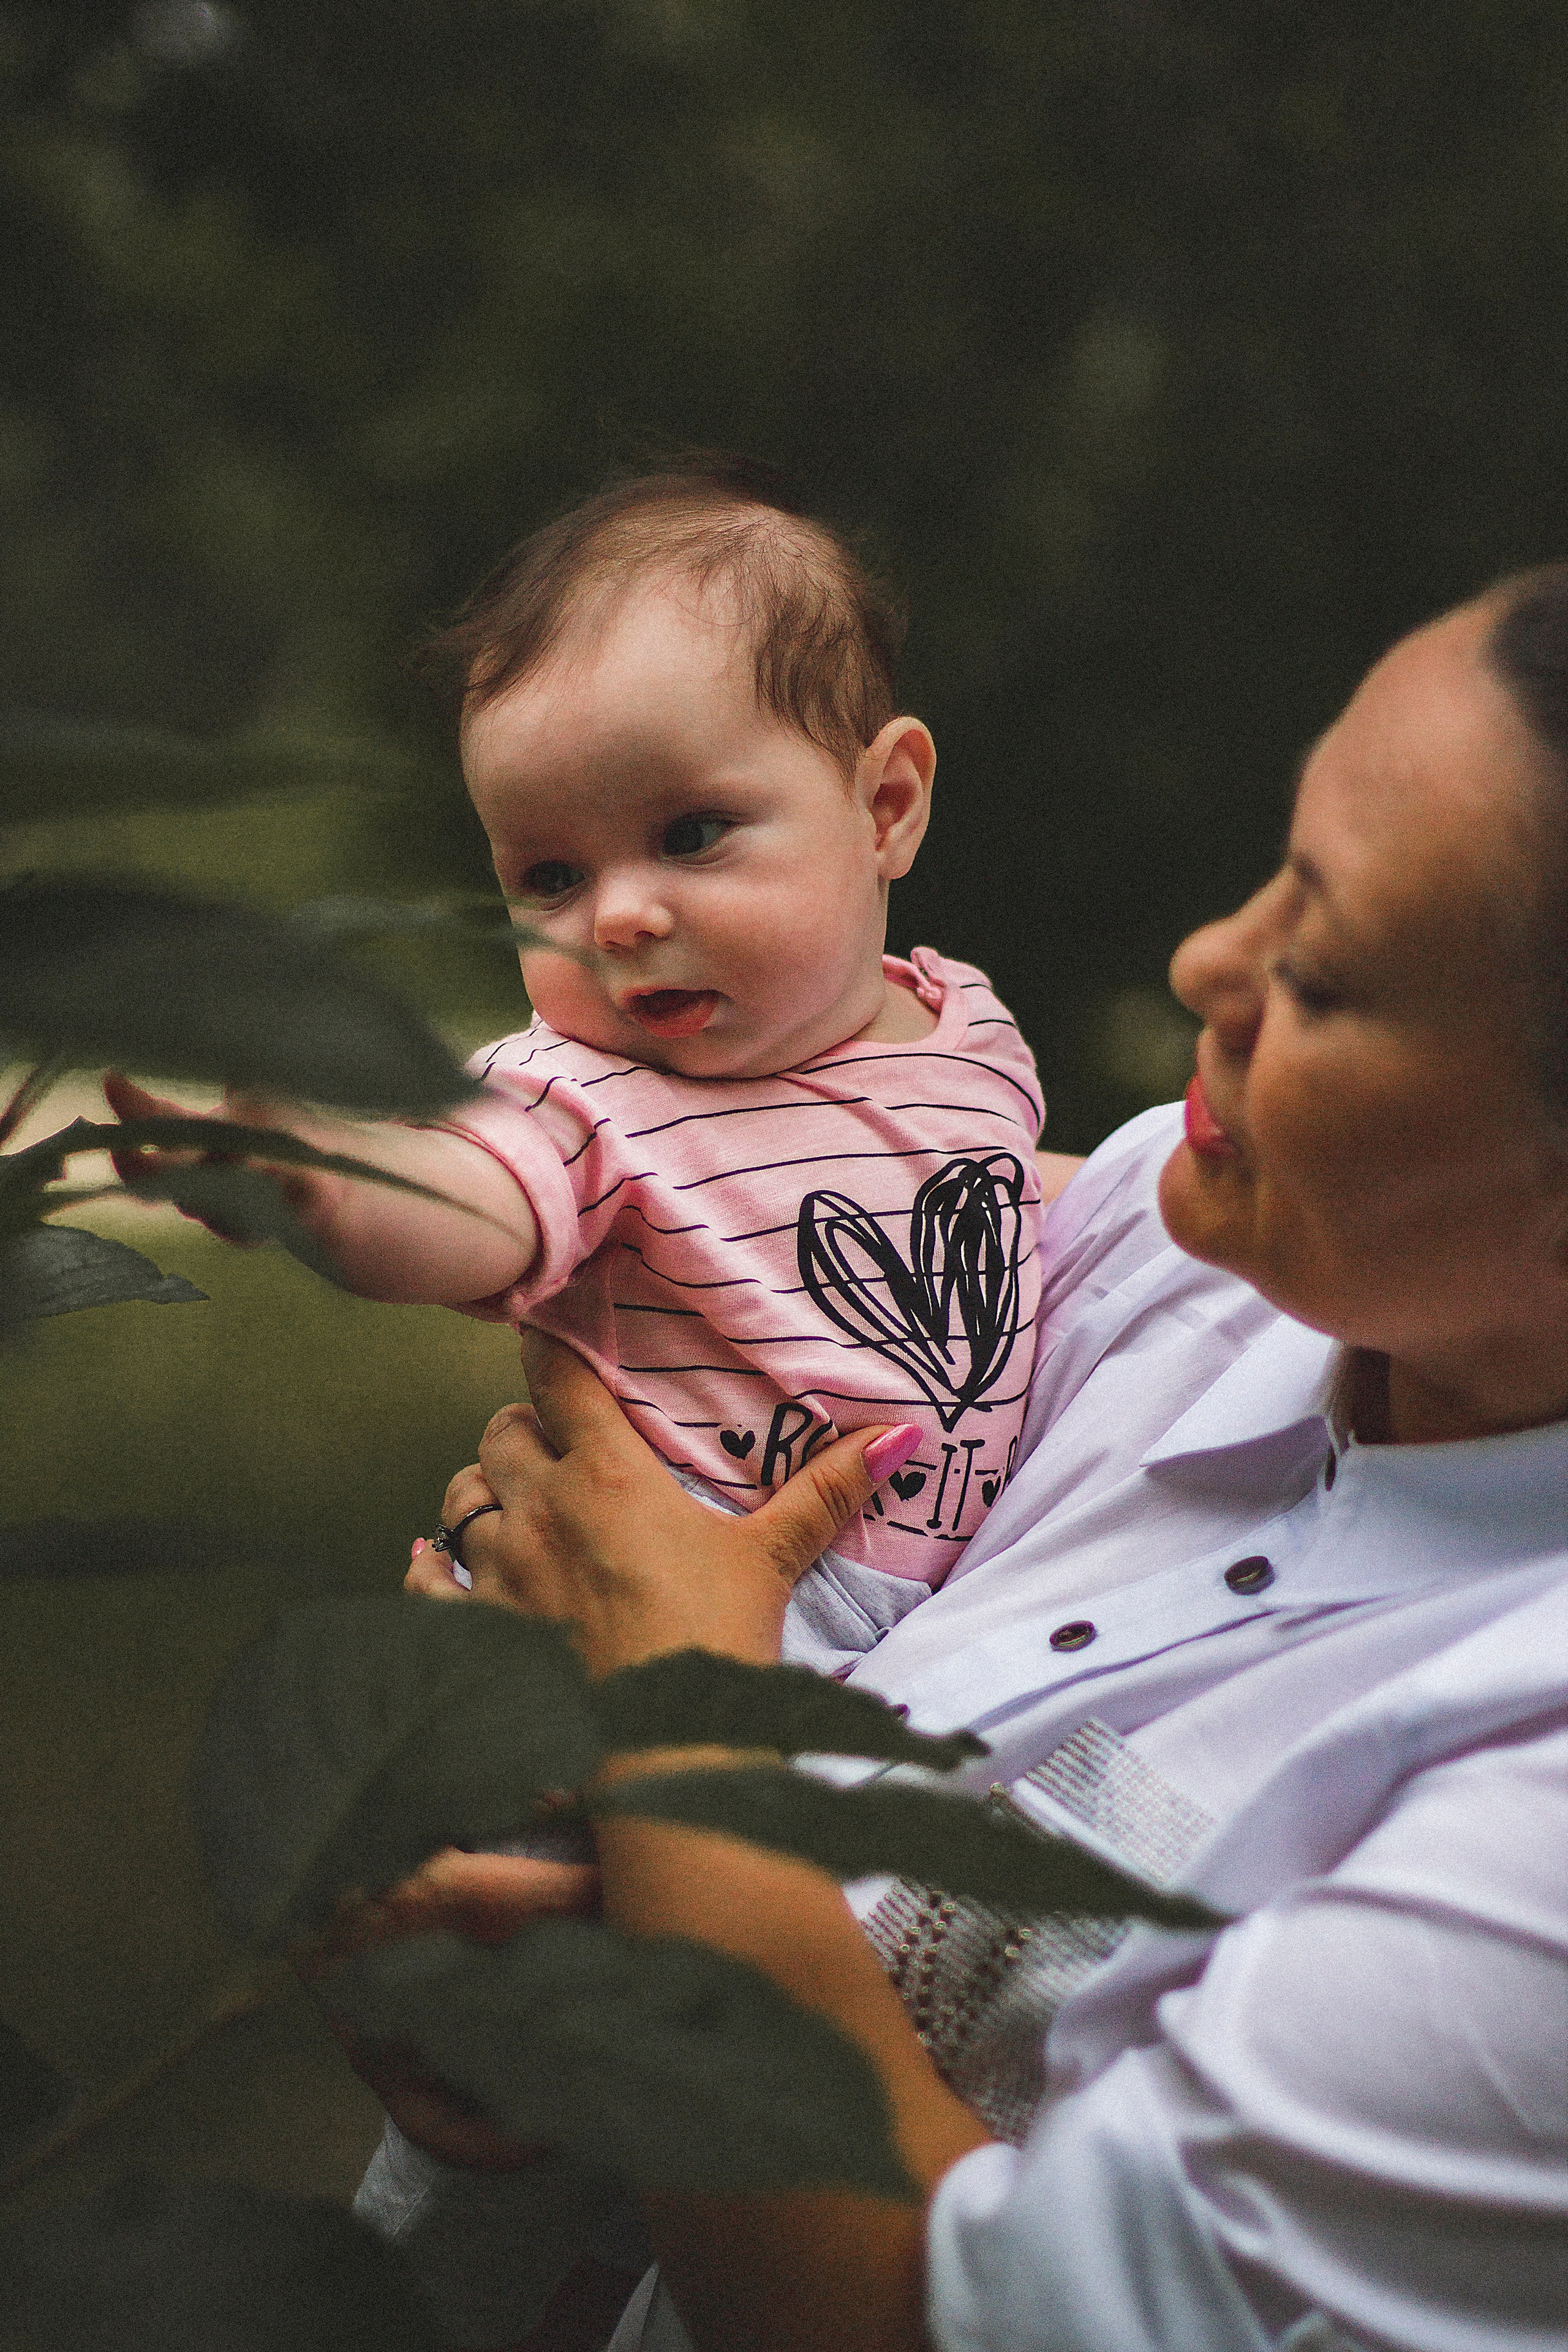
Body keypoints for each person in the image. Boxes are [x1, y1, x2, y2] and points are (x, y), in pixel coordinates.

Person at [353, 567, 1568, 2352]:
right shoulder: (1165, 1257)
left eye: (1318, 969)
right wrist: (511, 2013)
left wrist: (668, 1710)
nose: (1205, 963)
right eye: (1275, 871)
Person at [110, 461, 1077, 1662]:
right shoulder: (584, 1099)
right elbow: (477, 1198)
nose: (616, 916)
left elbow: (1016, 1190)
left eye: (690, 835)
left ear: (884, 806)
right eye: (551, 876)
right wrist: (334, 1184)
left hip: (960, 1613)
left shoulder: (967, 1032)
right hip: (670, 1581)